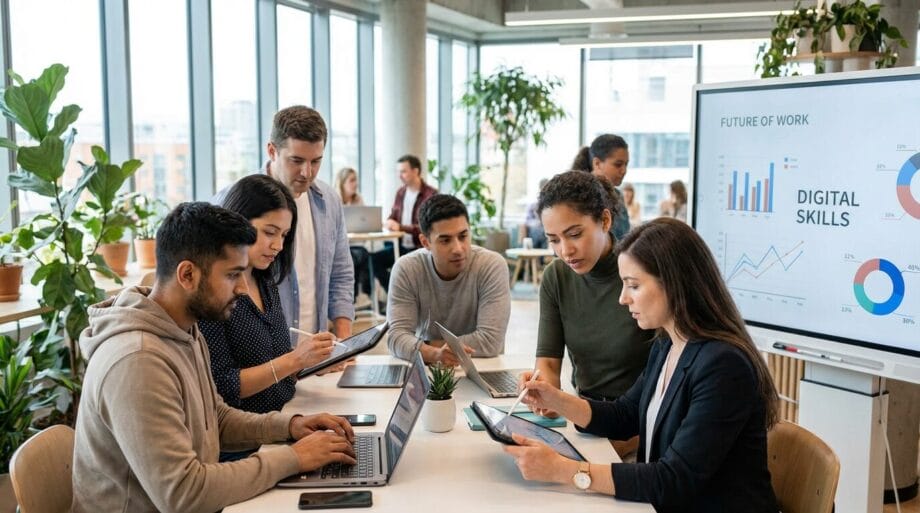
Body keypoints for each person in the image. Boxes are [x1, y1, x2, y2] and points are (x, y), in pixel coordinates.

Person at [71, 202, 356, 513]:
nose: (244, 289)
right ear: (188, 275)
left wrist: (290, 427)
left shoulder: (183, 330)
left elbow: (215, 419)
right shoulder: (137, 361)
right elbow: (184, 494)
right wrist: (294, 458)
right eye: (233, 275)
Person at [505, 218, 780, 513]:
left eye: (633, 285)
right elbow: (626, 415)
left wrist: (566, 470)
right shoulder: (667, 343)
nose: (623, 299)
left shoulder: (724, 366)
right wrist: (555, 399)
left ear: (675, 284)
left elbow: (673, 479)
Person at [521, 171, 653, 457]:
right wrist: (543, 391)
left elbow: (667, 387)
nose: (565, 251)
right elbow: (548, 363)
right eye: (553, 240)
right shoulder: (557, 277)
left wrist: (633, 440)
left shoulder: (642, 273)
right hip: (586, 419)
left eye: (575, 234)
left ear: (605, 221)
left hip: (640, 429)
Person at [200, 175, 336, 419]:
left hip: (287, 413)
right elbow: (222, 386)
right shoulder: (213, 291)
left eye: (284, 235)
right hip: (247, 434)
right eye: (270, 232)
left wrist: (312, 361)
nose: (278, 246)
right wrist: (295, 360)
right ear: (238, 221)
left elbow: (273, 362)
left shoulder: (265, 279)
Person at [263, 106, 355, 340]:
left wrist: (344, 343)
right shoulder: (240, 201)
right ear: (272, 151)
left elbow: (341, 273)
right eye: (296, 160)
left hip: (318, 356)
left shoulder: (329, 199)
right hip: (266, 362)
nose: (307, 172)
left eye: (316, 161)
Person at [387, 194, 510, 364]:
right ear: (425, 242)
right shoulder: (407, 269)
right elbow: (396, 337)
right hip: (431, 369)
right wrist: (434, 354)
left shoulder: (491, 265)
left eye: (463, 236)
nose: (458, 249)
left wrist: (425, 345)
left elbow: (490, 342)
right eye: (445, 240)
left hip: (484, 367)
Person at [372, 154, 438, 291]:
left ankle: (401, 294)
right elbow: (394, 215)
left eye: (403, 171)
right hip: (401, 246)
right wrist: (390, 221)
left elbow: (430, 227)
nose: (399, 176)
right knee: (373, 261)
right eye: (398, 172)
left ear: (416, 171)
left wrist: (400, 227)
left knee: (410, 273)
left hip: (420, 248)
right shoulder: (401, 193)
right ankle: (396, 294)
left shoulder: (431, 194)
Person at [572, 134, 631, 239]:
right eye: (618, 164)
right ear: (597, 163)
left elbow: (625, 237)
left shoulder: (618, 195)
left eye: (626, 164)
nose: (624, 170)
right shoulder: (577, 195)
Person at [335, 166, 372, 298]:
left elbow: (365, 222)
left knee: (361, 255)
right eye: (351, 180)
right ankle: (355, 297)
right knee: (356, 257)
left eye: (356, 180)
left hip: (357, 244)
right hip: (340, 246)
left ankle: (354, 298)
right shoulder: (334, 200)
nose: (355, 184)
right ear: (342, 183)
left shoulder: (358, 199)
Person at [520, 178, 549, 248]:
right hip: (534, 230)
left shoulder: (551, 204)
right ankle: (536, 257)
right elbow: (526, 221)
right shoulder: (534, 204)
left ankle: (541, 257)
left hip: (546, 229)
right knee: (537, 231)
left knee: (545, 232)